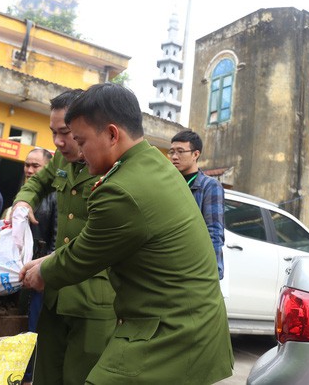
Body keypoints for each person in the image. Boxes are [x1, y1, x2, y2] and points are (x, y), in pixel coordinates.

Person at [20, 83, 234, 384]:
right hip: (187, 322)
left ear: (111, 134)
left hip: (172, 331)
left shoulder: (121, 190)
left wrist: (41, 271)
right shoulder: (152, 163)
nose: (78, 151)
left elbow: (83, 256)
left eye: (81, 141)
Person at [12, 89, 116, 385]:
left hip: (93, 298)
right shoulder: (60, 158)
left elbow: (98, 241)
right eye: (53, 132)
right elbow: (38, 184)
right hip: (55, 293)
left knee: (80, 377)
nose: (58, 141)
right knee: (47, 374)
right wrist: (22, 203)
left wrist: (48, 265)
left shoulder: (112, 168)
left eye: (66, 133)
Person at [18, 148, 57, 385]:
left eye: (36, 166)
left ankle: (28, 378)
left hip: (39, 275)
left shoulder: (55, 196)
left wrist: (45, 272)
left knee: (33, 332)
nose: (30, 170)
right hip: (21, 273)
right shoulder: (25, 195)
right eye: (27, 165)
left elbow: (55, 238)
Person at [169, 130, 225, 280]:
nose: (174, 157)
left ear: (196, 154)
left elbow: (214, 231)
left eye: (181, 151)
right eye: (172, 151)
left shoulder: (209, 186)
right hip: (169, 261)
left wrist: (213, 272)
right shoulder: (168, 184)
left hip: (194, 266)